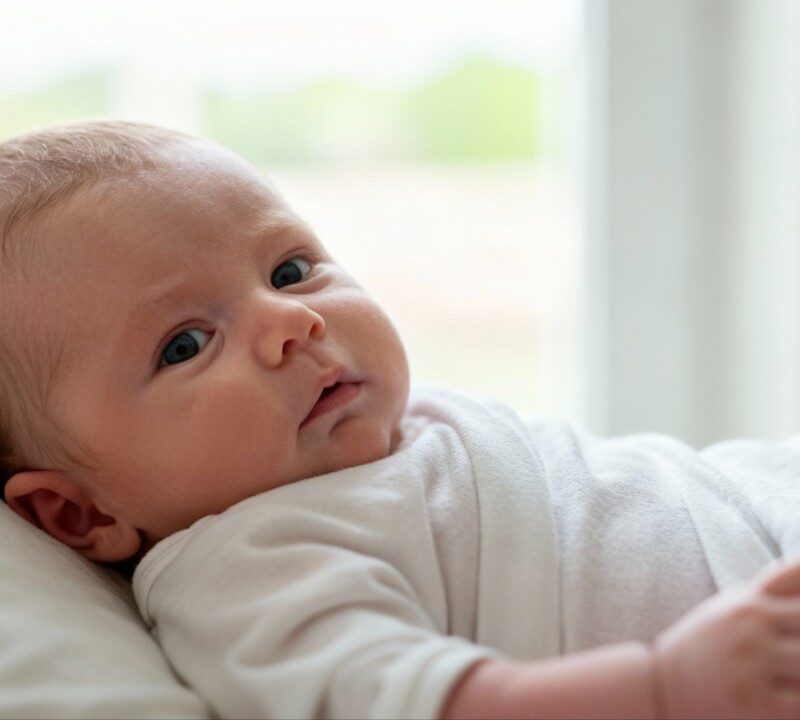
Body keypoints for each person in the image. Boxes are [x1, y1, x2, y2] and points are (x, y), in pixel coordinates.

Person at [2, 120, 800, 719]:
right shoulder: (251, 567)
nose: (291, 322)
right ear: (79, 512)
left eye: (288, 270)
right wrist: (666, 686)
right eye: (184, 344)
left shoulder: (398, 428)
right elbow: (432, 704)